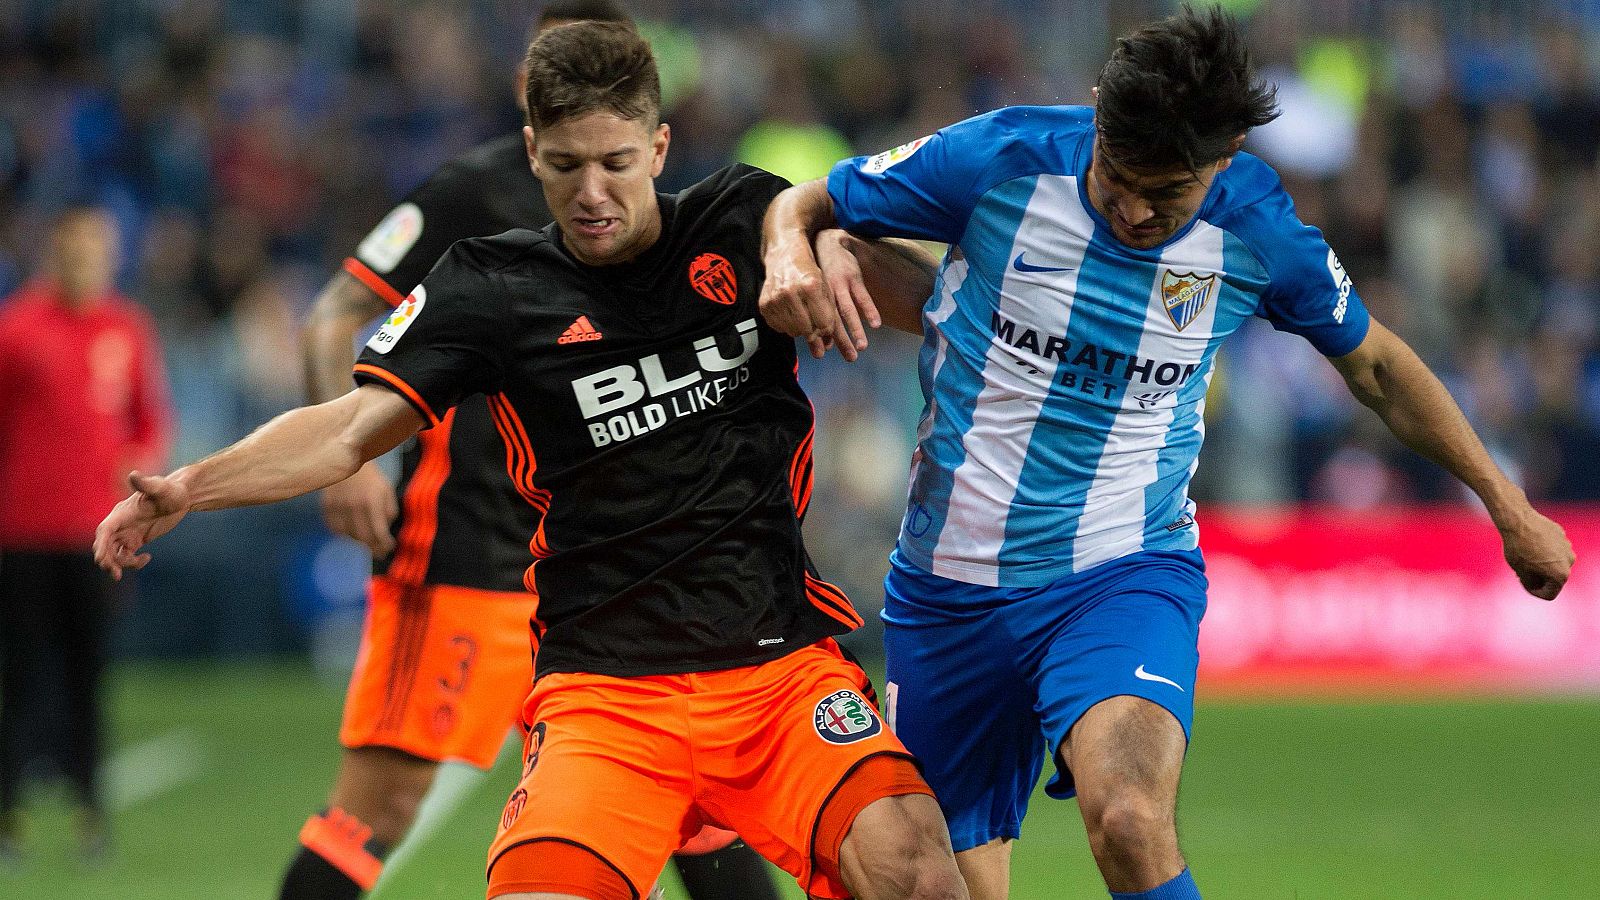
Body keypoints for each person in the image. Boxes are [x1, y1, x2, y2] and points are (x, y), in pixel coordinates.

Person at [97, 22, 968, 900]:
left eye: (616, 163)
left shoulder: (746, 223)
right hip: (604, 692)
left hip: (779, 676)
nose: (591, 192)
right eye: (564, 166)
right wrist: (186, 487)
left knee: (919, 869)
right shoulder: (488, 284)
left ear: (659, 145)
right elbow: (347, 428)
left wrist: (828, 246)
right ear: (530, 151)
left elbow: (945, 313)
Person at [759, 6, 1576, 900]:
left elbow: (1377, 364)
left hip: (1120, 572)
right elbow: (810, 198)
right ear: (1099, 112)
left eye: (1169, 193)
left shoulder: (1256, 231)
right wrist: (803, 247)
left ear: (1223, 161)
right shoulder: (1000, 158)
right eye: (1118, 180)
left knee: (1129, 817)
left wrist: (1507, 504)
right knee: (932, 885)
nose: (1135, 210)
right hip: (946, 587)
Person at [288, 2, 777, 898]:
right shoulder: (467, 194)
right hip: (469, 545)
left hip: (612, 565)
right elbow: (335, 312)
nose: (592, 184)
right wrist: (353, 456)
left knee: (704, 817)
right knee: (382, 805)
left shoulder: (673, 214)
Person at [0, 206, 172, 865]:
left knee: (87, 677)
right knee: (20, 677)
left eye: (100, 249)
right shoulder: (17, 330)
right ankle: (10, 815)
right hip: (23, 534)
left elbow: (150, 420)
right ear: (56, 251)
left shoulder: (127, 329)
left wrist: (132, 471)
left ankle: (88, 814)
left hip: (96, 535)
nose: (89, 261)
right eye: (77, 248)